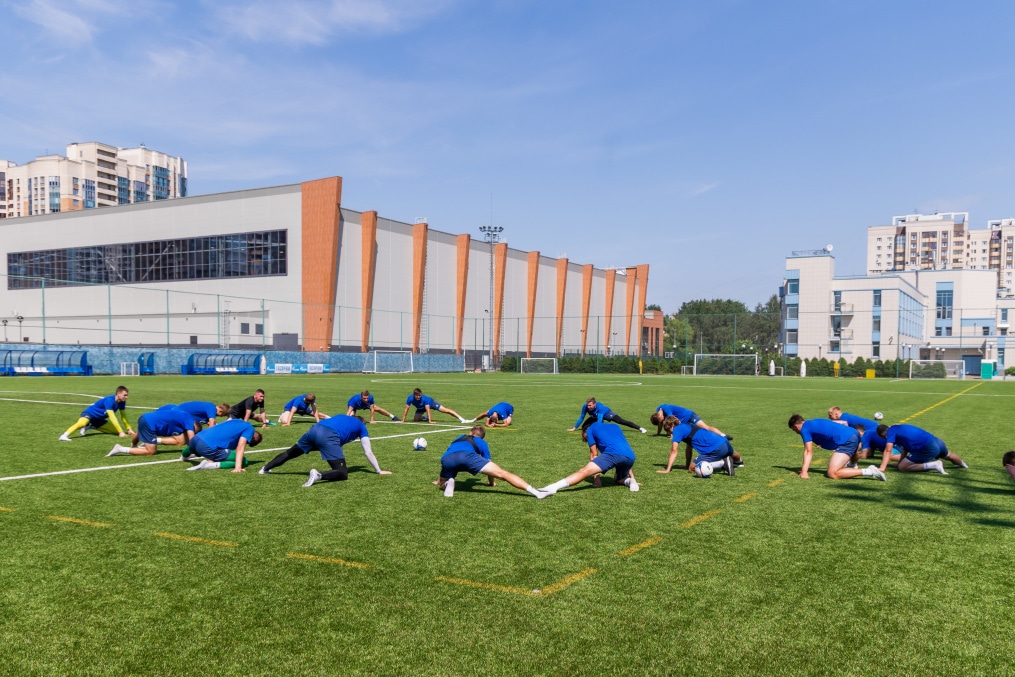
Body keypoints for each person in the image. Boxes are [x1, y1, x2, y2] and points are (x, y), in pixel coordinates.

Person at [259, 414, 391, 486]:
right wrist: (378, 470)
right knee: (342, 473)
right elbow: (368, 451)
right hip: (328, 435)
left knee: (291, 453)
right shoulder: (361, 426)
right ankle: (318, 475)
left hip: (314, 429)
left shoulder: (342, 416)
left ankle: (265, 469)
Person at [435, 425, 547, 498]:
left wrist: (438, 480)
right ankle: (536, 492)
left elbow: (450, 452)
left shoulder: (459, 437)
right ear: (482, 437)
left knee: (442, 483)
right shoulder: (482, 442)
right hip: (468, 457)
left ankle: (447, 483)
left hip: (447, 458)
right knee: (503, 474)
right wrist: (491, 483)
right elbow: (488, 461)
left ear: (470, 432)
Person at [541, 420, 640, 494]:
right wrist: (632, 477)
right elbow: (623, 451)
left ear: (585, 430)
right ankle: (630, 481)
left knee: (584, 471)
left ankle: (554, 487)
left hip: (613, 454)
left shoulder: (590, 429)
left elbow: (594, 455)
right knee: (618, 479)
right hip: (630, 456)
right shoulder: (615, 426)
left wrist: (596, 479)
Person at [787, 414, 887, 481]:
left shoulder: (804, 429)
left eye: (794, 430)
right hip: (854, 433)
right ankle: (852, 466)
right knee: (852, 452)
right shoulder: (815, 421)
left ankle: (870, 471)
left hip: (847, 440)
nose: (796, 432)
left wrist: (804, 471)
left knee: (832, 473)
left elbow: (808, 451)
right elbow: (837, 424)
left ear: (796, 426)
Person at [658, 415, 742, 476]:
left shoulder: (677, 430)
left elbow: (674, 450)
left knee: (692, 469)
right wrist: (686, 465)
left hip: (715, 448)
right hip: (724, 441)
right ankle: (739, 462)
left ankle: (722, 464)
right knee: (734, 454)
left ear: (672, 425)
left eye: (668, 430)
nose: (669, 433)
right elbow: (689, 448)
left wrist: (668, 469)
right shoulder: (687, 425)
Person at [876, 424, 968, 475]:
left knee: (903, 467)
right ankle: (962, 464)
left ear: (883, 435)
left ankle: (934, 465)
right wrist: (900, 462)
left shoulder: (890, 432)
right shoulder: (898, 428)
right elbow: (904, 450)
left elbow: (888, 451)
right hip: (937, 441)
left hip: (927, 447)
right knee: (949, 455)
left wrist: (882, 468)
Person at [107, 408, 196, 457]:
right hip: (150, 423)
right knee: (151, 452)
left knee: (140, 432)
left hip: (145, 417)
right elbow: (191, 438)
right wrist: (195, 451)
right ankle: (120, 449)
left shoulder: (184, 414)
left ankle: (133, 445)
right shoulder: (189, 421)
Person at [59, 386, 134, 442]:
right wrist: (121, 432)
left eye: (127, 395)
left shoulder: (122, 402)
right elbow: (112, 417)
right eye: (125, 395)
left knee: (115, 431)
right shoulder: (109, 400)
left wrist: (129, 429)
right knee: (82, 423)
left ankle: (91, 426)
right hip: (90, 414)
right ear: (118, 394)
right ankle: (64, 435)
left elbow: (123, 416)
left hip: (99, 419)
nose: (126, 397)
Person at [186, 419, 262, 472]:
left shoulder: (237, 421)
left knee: (191, 449)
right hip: (206, 446)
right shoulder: (250, 429)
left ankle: (183, 455)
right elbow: (240, 447)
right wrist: (238, 467)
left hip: (195, 439)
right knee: (244, 461)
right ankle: (208, 465)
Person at [569, 397, 645, 434]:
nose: (588, 407)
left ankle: (640, 428)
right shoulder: (585, 406)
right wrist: (574, 428)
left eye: (590, 405)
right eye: (587, 405)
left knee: (621, 421)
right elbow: (582, 417)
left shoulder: (600, 408)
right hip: (595, 416)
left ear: (594, 404)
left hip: (606, 413)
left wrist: (597, 429)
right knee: (584, 427)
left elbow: (600, 419)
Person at [649, 404, 727, 438]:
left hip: (689, 416)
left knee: (705, 427)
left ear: (660, 417)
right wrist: (658, 434)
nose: (661, 423)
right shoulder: (658, 410)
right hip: (683, 421)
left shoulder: (667, 409)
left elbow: (672, 422)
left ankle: (723, 435)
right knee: (698, 433)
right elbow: (660, 424)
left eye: (660, 421)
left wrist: (673, 434)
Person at [402, 388, 468, 424]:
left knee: (445, 410)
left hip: (431, 404)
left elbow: (428, 410)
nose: (418, 397)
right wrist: (403, 420)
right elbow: (406, 409)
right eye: (417, 396)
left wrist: (430, 421)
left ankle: (462, 419)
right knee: (416, 419)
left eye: (420, 395)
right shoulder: (410, 398)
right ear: (414, 395)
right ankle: (425, 417)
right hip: (420, 407)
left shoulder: (425, 399)